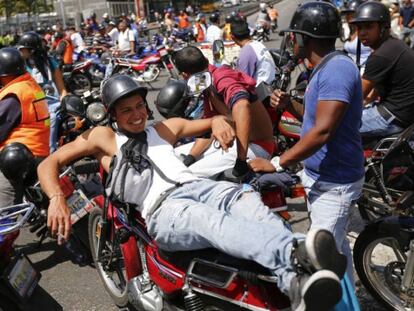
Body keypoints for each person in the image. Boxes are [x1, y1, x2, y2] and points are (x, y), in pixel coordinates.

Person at [37, 74, 346, 311]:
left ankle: (294, 275)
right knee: (211, 221)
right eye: (127, 110)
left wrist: (218, 124)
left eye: (140, 106)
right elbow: (49, 163)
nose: (136, 114)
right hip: (165, 210)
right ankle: (294, 253)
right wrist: (56, 198)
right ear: (113, 115)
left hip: (201, 186)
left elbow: (211, 120)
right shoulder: (104, 137)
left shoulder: (162, 129)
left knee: (244, 198)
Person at [249, 1, 365, 286]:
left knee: (320, 261)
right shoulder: (323, 68)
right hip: (323, 177)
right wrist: (291, 103)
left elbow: (323, 131)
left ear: (304, 37)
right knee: (336, 251)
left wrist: (277, 162)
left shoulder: (336, 70)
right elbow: (316, 118)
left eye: (294, 36)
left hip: (334, 183)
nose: (291, 42)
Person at [166, 46, 274, 180]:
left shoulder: (221, 77)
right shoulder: (205, 81)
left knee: (185, 176)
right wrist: (191, 157)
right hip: (234, 141)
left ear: (184, 75)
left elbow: (242, 105)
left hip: (257, 146)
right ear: (206, 60)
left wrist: (241, 160)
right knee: (170, 156)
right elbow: (211, 130)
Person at [351, 1, 414, 137]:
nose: (362, 33)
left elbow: (355, 96)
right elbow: (374, 90)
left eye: (368, 27)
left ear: (384, 27)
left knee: (336, 127)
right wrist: (366, 102)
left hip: (394, 117)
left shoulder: (381, 55)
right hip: (402, 113)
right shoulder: (393, 45)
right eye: (359, 27)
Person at [0, 48, 50, 207]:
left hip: (19, 159)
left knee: (3, 213)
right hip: (40, 152)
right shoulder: (28, 85)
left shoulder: (14, 94)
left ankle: (5, 228)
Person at [17, 32, 68, 152]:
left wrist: (64, 102)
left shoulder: (50, 64)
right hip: (27, 105)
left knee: (51, 119)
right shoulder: (20, 66)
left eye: (22, 49)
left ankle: (49, 153)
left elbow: (62, 89)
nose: (19, 52)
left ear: (32, 51)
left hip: (49, 106)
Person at [231, 19, 276, 85]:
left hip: (261, 91)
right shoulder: (257, 44)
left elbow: (244, 82)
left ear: (232, 37)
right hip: (270, 84)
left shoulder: (246, 52)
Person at [341, 0, 372, 73]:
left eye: (350, 13)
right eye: (347, 14)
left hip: (364, 72)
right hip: (350, 71)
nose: (347, 16)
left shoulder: (365, 32)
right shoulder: (350, 30)